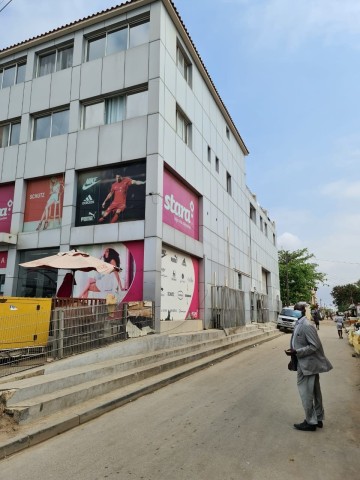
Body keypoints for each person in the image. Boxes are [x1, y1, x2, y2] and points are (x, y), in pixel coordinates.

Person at [285, 302, 333, 431]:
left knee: (306, 394)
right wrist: (293, 359)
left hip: (308, 365)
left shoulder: (306, 325)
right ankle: (318, 418)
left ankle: (310, 422)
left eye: (298, 309)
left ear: (303, 311)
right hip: (303, 363)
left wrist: (297, 352)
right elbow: (298, 344)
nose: (296, 311)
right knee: (315, 392)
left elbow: (314, 346)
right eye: (294, 309)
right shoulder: (299, 324)